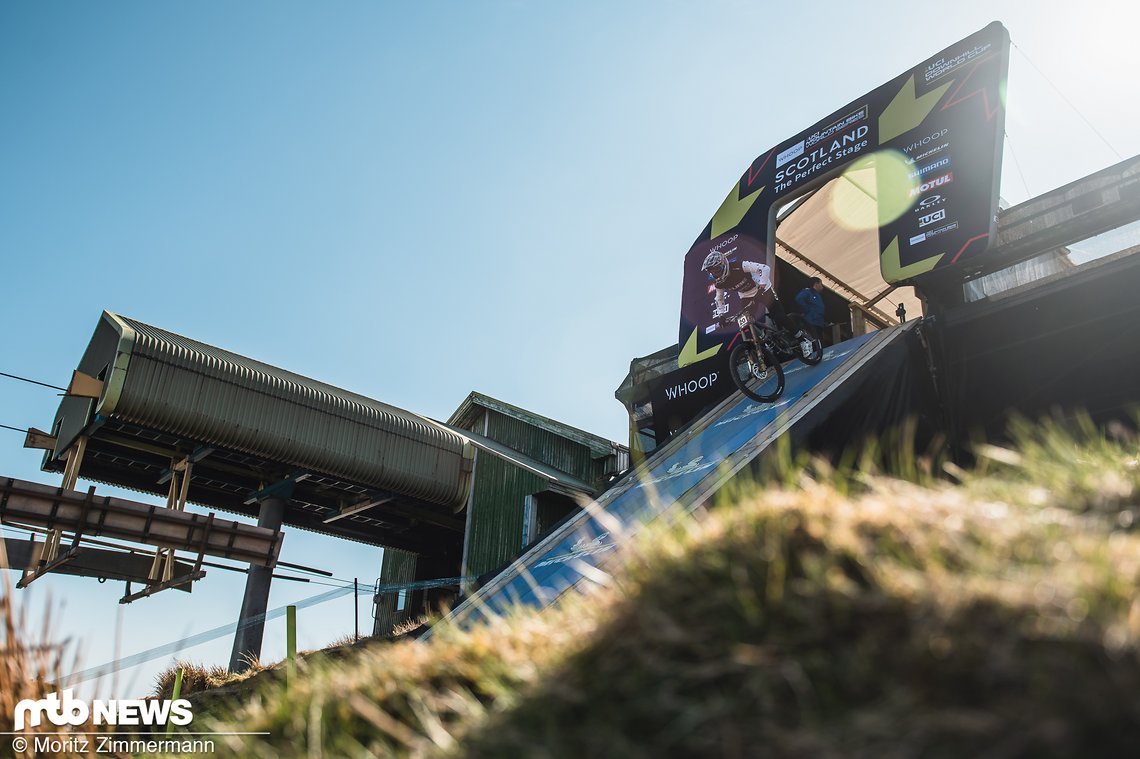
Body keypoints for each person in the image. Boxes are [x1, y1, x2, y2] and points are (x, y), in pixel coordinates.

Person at [700, 250, 807, 348]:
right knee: (746, 322)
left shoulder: (740, 266)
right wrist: (721, 315)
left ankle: (803, 339)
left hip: (763, 290)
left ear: (724, 264)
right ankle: (766, 342)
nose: (715, 274)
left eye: (717, 269)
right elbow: (719, 298)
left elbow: (765, 268)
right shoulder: (719, 283)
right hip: (746, 296)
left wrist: (762, 285)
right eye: (712, 272)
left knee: (779, 316)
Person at [795, 276, 827, 342]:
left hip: (819, 324)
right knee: (813, 343)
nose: (822, 287)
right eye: (821, 284)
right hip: (811, 323)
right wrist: (807, 310)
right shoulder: (808, 292)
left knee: (819, 343)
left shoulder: (818, 295)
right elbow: (799, 299)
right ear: (816, 284)